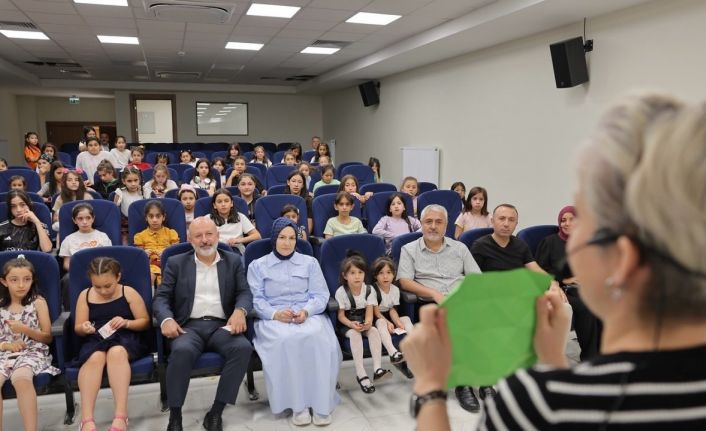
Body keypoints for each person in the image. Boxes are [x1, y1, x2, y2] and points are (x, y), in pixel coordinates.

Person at [402, 92, 706, 430]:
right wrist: (553, 365)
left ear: (624, 260)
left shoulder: (531, 403)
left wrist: (430, 387)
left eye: (583, 219)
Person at [154, 216, 253, 431]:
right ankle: (175, 416)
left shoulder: (233, 261)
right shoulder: (176, 263)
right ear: (190, 240)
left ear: (218, 236)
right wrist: (167, 319)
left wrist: (240, 311)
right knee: (181, 351)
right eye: (198, 236)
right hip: (188, 327)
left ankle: (216, 412)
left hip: (222, 326)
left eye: (209, 234)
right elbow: (161, 298)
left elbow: (244, 292)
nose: (205, 240)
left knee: (243, 348)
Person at [247, 218, 341, 426]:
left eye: (291, 238)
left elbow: (320, 295)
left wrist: (307, 311)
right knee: (286, 340)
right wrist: (275, 314)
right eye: (282, 238)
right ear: (274, 239)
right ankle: (298, 405)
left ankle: (321, 403)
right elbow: (256, 300)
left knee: (318, 338)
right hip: (273, 318)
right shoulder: (258, 266)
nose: (287, 243)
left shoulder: (310, 263)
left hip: (307, 314)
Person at [397, 204, 483, 412]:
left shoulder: (460, 248)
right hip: (430, 304)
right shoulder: (409, 249)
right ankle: (463, 384)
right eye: (429, 222)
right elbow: (405, 282)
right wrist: (434, 294)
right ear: (421, 224)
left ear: (446, 225)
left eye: (438, 222)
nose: (433, 226)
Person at [73, 257, 149, 431]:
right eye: (97, 286)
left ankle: (121, 416)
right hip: (96, 337)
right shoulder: (85, 295)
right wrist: (84, 328)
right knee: (95, 357)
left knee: (116, 352)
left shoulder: (128, 292)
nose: (103, 291)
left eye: (108, 286)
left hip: (125, 335)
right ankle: (87, 420)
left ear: (118, 277)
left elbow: (144, 321)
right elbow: (78, 327)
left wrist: (126, 322)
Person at [0, 257, 60, 431]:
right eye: (14, 280)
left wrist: (25, 330)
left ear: (32, 280)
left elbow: (47, 337)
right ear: (4, 282)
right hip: (4, 353)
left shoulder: (38, 303)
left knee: (21, 379)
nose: (21, 285)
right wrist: (6, 346)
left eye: (27, 279)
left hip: (32, 352)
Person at [536, 205, 601, 360]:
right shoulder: (549, 242)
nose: (567, 223)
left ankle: (603, 352)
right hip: (559, 288)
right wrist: (564, 279)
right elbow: (540, 271)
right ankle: (590, 357)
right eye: (563, 220)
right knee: (585, 307)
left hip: (583, 286)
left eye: (571, 219)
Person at [335, 253, 390, 394]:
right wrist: (351, 324)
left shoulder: (369, 290)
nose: (357, 276)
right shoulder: (341, 292)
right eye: (352, 273)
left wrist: (368, 323)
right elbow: (341, 316)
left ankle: (377, 368)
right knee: (355, 334)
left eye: (360, 272)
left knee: (374, 331)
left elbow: (369, 312)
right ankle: (361, 373)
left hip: (363, 320)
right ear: (345, 275)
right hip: (347, 323)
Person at [470, 204, 546, 273]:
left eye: (511, 220)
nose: (506, 224)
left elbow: (536, 269)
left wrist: (550, 282)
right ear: (492, 221)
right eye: (502, 218)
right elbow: (472, 277)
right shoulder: (480, 246)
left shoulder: (521, 245)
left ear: (516, 224)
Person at [370, 257, 414, 378]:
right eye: (381, 273)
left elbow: (392, 309)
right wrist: (388, 322)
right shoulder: (372, 290)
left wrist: (397, 321)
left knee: (406, 319)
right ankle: (393, 352)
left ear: (394, 274)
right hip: (376, 317)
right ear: (375, 275)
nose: (385, 277)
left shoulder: (395, 289)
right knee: (381, 322)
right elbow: (376, 312)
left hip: (388, 315)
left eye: (389, 273)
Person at [133, 200, 180, 286]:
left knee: (169, 278)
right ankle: (150, 293)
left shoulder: (171, 233)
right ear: (146, 218)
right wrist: (144, 253)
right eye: (151, 216)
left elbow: (176, 251)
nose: (154, 220)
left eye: (158, 216)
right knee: (150, 276)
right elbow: (138, 255)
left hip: (168, 263)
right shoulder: (140, 236)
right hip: (150, 265)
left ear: (163, 217)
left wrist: (166, 252)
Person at [208, 189, 261, 255]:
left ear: (231, 203)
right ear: (214, 205)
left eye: (226, 201)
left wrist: (238, 240)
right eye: (219, 202)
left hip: (235, 249)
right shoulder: (207, 219)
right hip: (216, 249)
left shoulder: (240, 217)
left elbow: (257, 236)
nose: (223, 204)